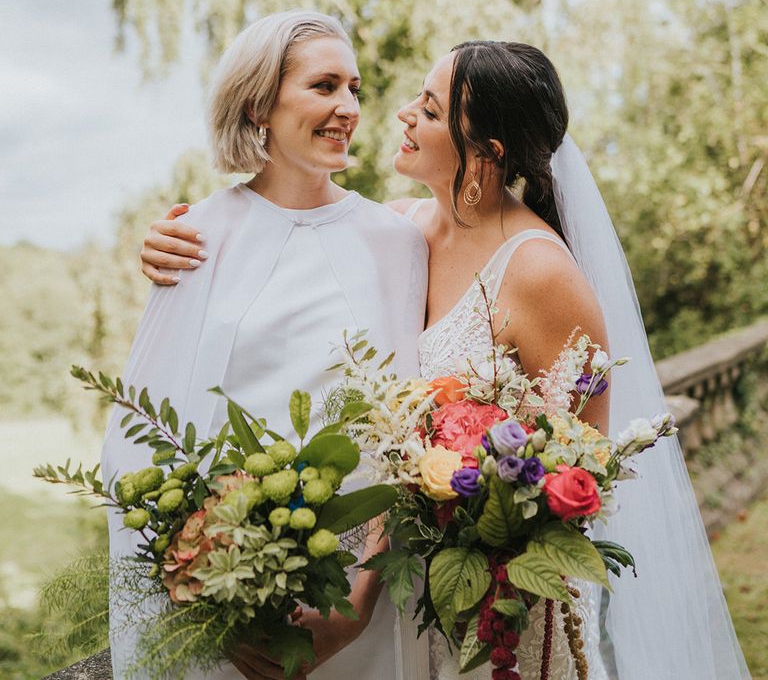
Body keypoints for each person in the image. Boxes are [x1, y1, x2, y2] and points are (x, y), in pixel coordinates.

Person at [138, 40, 749, 678]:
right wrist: (173, 242)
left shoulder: (541, 273)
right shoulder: (403, 230)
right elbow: (293, 244)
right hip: (412, 610)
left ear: (488, 152)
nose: (401, 113)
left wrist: (477, 523)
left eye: (428, 110)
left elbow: (585, 470)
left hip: (505, 618)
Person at [101, 10, 428, 680]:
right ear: (258, 105)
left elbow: (411, 434)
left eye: (354, 89)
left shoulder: (396, 241)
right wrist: (206, 598)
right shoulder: (195, 235)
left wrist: (357, 606)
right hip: (234, 598)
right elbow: (140, 436)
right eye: (325, 86)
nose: (348, 108)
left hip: (363, 593)